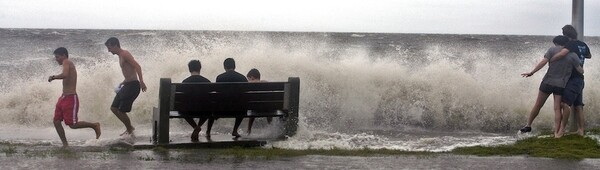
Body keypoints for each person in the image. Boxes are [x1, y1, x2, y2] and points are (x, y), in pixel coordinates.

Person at [520, 35, 583, 137]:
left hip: (547, 82)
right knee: (557, 109)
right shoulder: (573, 55)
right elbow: (580, 70)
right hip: (560, 85)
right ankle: (557, 132)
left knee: (538, 105)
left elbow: (543, 62)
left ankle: (528, 125)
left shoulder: (552, 50)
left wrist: (532, 72)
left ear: (556, 43)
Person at [48, 47, 101, 147]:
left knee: (73, 125)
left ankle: (94, 125)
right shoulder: (66, 63)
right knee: (56, 121)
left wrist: (53, 77)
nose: (56, 59)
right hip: (63, 97)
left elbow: (65, 74)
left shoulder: (66, 62)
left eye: (57, 57)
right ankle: (65, 145)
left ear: (64, 55)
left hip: (71, 98)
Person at [549, 25, 592, 136]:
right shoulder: (583, 44)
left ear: (566, 35)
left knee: (564, 104)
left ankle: (562, 130)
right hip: (580, 79)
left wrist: (551, 59)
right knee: (578, 106)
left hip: (572, 78)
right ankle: (581, 130)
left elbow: (562, 53)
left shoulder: (570, 44)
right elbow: (589, 55)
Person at [105, 37, 147, 137]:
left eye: (109, 47)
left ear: (115, 45)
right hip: (127, 85)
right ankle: (129, 128)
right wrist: (122, 82)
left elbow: (137, 66)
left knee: (121, 111)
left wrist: (141, 81)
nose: (108, 50)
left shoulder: (125, 54)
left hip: (133, 86)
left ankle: (130, 129)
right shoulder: (120, 56)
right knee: (114, 108)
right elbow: (129, 72)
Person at [215, 58, 248, 138]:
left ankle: (208, 131)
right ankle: (235, 130)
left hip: (221, 110)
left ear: (224, 67)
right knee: (242, 106)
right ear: (234, 66)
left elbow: (217, 93)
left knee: (212, 109)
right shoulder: (242, 78)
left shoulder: (219, 78)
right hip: (239, 110)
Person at [180, 60, 212, 141]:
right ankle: (199, 126)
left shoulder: (184, 82)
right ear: (200, 69)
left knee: (181, 111)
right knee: (210, 110)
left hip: (188, 111)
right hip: (204, 111)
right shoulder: (207, 82)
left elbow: (182, 100)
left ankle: (195, 127)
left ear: (189, 69)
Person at [245, 68, 272, 135]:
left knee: (253, 107)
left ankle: (249, 130)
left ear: (252, 77)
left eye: (248, 78)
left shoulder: (250, 83)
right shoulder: (266, 82)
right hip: (267, 109)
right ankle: (271, 127)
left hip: (255, 109)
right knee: (267, 106)